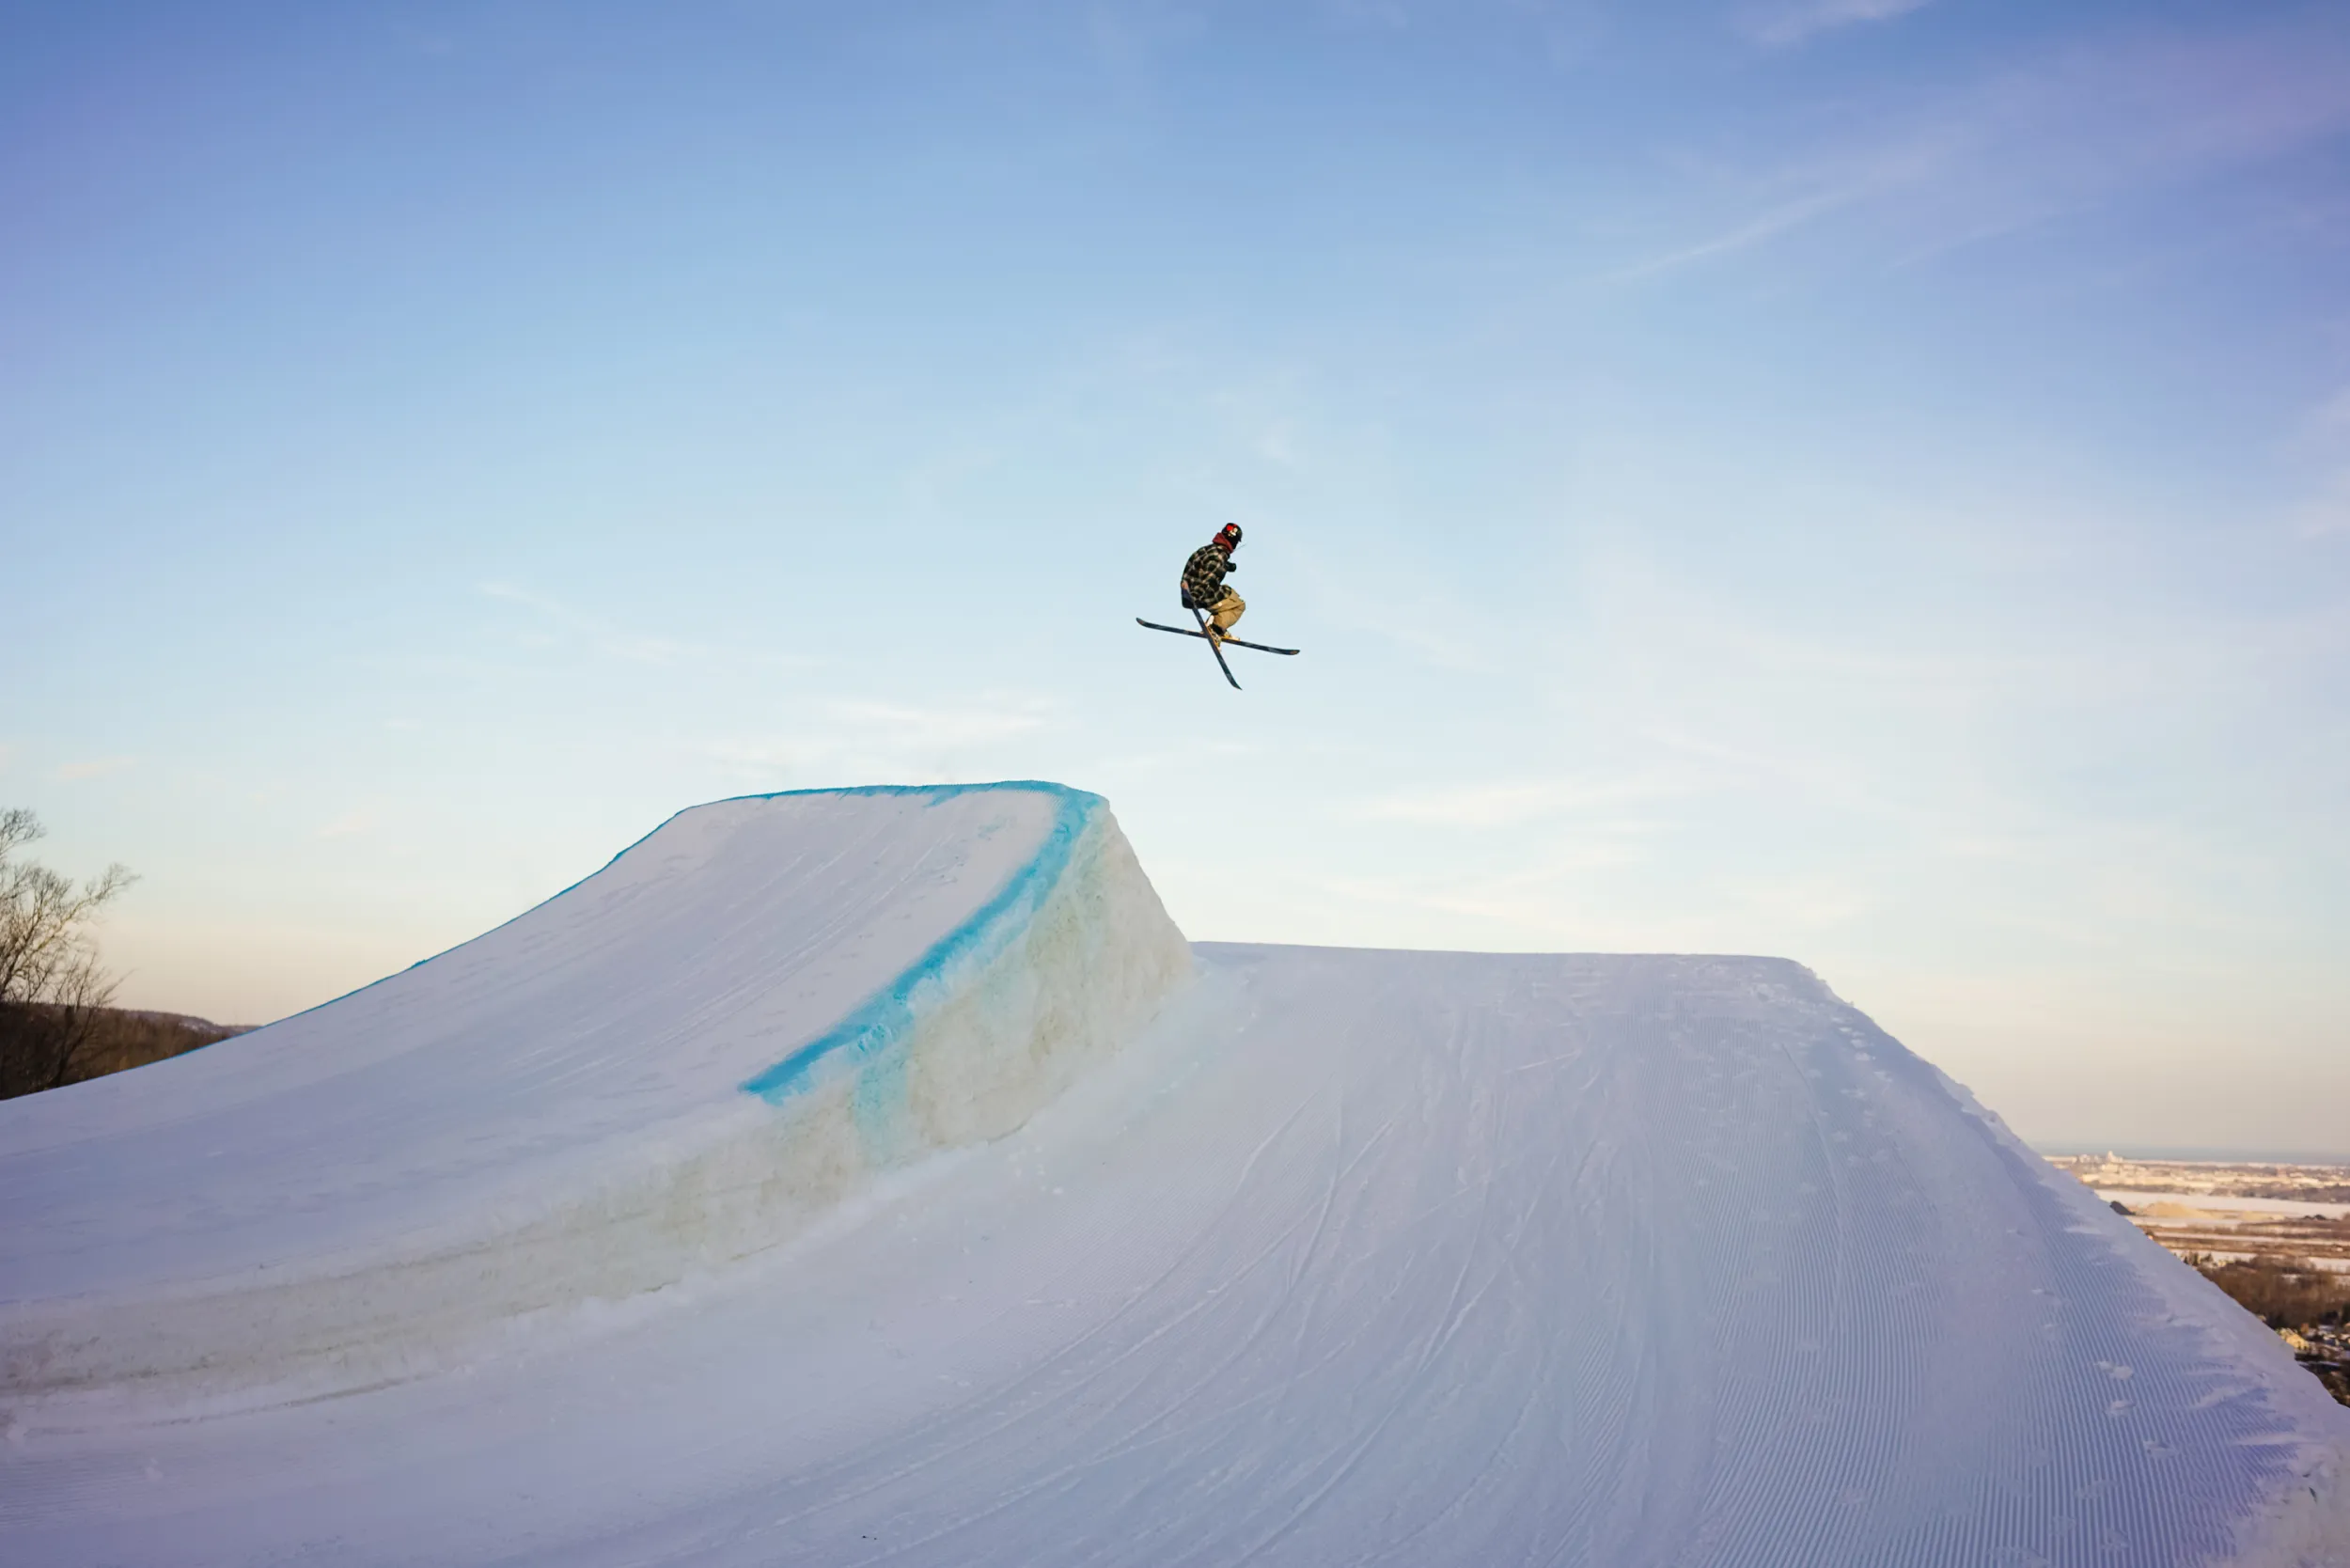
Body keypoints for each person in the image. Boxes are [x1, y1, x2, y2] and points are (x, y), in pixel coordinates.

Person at [1180, 523, 1245, 643]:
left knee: (1228, 592)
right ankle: (1216, 628)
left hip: (1189, 591)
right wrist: (1194, 597)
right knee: (1238, 605)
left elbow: (1202, 566)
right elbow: (1210, 576)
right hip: (1200, 595)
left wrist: (1228, 566)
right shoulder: (1220, 557)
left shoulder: (1207, 550)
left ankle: (1219, 625)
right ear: (1234, 542)